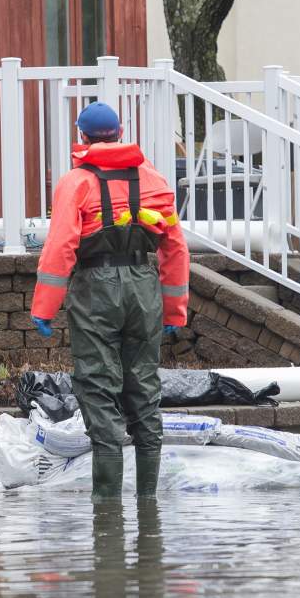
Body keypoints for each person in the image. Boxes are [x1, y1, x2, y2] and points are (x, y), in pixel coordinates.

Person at [30, 102, 190, 501]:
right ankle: (148, 503)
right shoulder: (153, 180)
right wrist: (174, 309)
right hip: (143, 285)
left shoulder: (75, 182)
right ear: (120, 133)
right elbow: (175, 249)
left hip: (96, 288)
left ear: (82, 136)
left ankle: (107, 510)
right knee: (144, 386)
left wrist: (45, 308)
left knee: (98, 385)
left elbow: (60, 248)